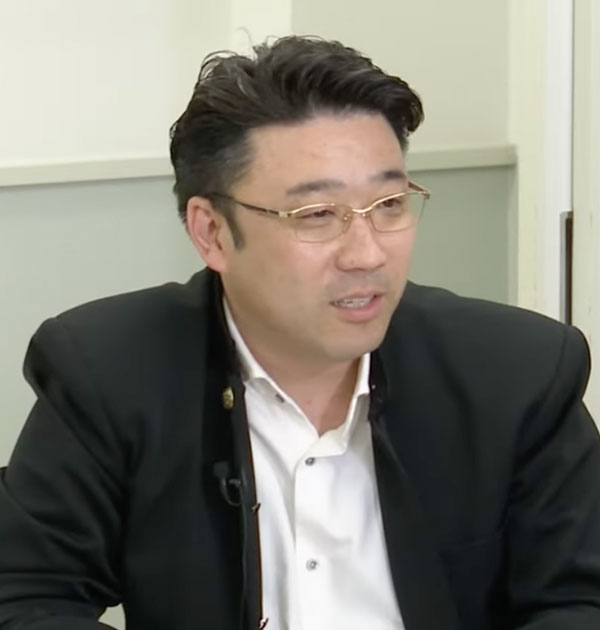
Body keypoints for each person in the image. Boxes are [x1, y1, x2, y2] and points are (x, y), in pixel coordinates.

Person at [1, 35, 599, 630]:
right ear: (211, 232)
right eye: (316, 215)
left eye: (390, 204)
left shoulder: (517, 373)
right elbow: (24, 598)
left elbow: (581, 601)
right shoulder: (109, 372)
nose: (367, 253)